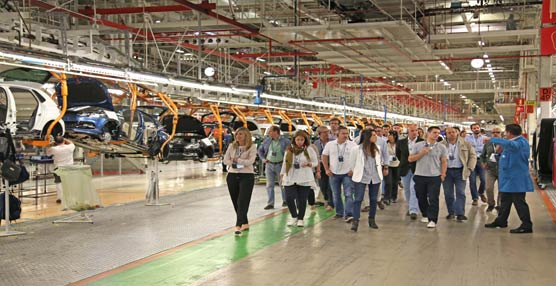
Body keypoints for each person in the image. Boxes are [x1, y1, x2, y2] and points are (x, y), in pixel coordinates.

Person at [484, 124, 533, 233]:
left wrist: (492, 139)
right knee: (505, 201)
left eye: (506, 133)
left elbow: (512, 145)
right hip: (508, 178)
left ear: (509, 133)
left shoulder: (521, 142)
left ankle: (526, 225)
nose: (505, 135)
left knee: (519, 202)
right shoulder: (511, 143)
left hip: (516, 179)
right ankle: (501, 220)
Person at [409, 126, 448, 228]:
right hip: (420, 175)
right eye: (434, 132)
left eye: (438, 133)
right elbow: (410, 159)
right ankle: (425, 214)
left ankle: (433, 219)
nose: (436, 135)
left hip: (434, 177)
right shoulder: (418, 145)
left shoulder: (442, 147)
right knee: (421, 197)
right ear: (428, 133)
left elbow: (444, 161)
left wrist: (443, 174)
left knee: (433, 198)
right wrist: (422, 153)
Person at [223, 127, 258, 235]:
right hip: (232, 175)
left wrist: (237, 160)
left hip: (246, 176)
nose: (238, 136)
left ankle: (238, 225)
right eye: (237, 134)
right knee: (235, 201)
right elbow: (225, 160)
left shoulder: (252, 147)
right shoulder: (231, 146)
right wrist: (238, 162)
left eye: (241, 134)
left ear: (246, 135)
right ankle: (245, 222)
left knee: (243, 201)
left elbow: (250, 161)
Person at [348, 129, 384, 231]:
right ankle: (355, 221)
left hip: (375, 177)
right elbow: (352, 163)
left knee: (373, 199)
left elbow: (379, 161)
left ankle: (371, 219)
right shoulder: (356, 149)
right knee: (358, 199)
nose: (375, 137)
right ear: (367, 137)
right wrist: (355, 171)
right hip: (361, 177)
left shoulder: (377, 148)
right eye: (373, 135)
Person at [281, 131, 318, 227]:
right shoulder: (289, 150)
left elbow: (315, 162)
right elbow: (285, 163)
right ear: (294, 140)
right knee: (289, 198)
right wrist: (282, 174)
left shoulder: (309, 149)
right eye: (298, 139)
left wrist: (309, 164)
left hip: (304, 177)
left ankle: (300, 218)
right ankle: (294, 216)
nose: (300, 141)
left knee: (302, 200)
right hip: (290, 177)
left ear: (305, 140)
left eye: (302, 139)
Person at [440, 127, 477, 221]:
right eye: (449, 132)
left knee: (460, 192)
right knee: (448, 193)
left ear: (457, 133)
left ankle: (460, 213)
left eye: (453, 132)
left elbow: (473, 156)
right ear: (446, 134)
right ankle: (451, 212)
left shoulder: (466, 144)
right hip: (446, 171)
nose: (451, 134)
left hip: (460, 171)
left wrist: (469, 168)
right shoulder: (441, 145)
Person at [322, 126, 357, 221]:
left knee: (349, 194)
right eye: (343, 133)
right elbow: (324, 156)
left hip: (348, 174)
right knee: (336, 194)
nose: (346, 135)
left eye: (347, 133)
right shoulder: (330, 144)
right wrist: (327, 169)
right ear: (337, 135)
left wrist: (353, 170)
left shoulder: (352, 145)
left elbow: (357, 159)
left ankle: (349, 214)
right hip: (334, 173)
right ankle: (339, 212)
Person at [258, 125, 290, 210]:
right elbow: (260, 150)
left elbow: (290, 152)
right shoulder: (266, 141)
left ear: (276, 132)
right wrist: (263, 159)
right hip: (269, 164)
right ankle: (270, 203)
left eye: (270, 131)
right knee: (269, 184)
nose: (268, 132)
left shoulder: (285, 141)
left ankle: (285, 201)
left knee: (282, 183)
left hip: (280, 165)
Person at [396, 124, 423, 220]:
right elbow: (398, 154)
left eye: (416, 130)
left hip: (418, 169)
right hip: (405, 168)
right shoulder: (401, 142)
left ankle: (413, 210)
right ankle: (410, 206)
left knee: (413, 188)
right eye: (412, 130)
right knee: (407, 189)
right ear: (408, 131)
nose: (415, 132)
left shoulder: (422, 142)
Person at [46, 136, 75, 203]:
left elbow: (48, 154)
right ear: (64, 141)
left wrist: (51, 144)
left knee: (59, 183)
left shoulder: (54, 149)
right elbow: (71, 142)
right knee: (69, 183)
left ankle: (60, 198)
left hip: (58, 168)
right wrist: (65, 139)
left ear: (56, 142)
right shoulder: (70, 147)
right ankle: (70, 198)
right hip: (69, 167)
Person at [480, 127, 502, 212]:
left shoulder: (505, 144)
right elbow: (482, 156)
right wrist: (483, 163)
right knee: (489, 188)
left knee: (502, 189)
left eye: (498, 132)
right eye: (493, 132)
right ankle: (491, 204)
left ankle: (499, 205)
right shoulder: (488, 144)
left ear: (501, 133)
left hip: (502, 170)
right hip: (490, 169)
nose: (495, 134)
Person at [466, 123, 488, 205]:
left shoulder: (485, 138)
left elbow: (485, 149)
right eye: (474, 128)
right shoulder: (467, 139)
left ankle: (481, 192)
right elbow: (467, 149)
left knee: (483, 179)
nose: (476, 129)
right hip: (471, 160)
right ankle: (475, 198)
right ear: (471, 129)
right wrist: (478, 149)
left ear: (480, 128)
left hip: (481, 160)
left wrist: (474, 148)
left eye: (477, 127)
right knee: (472, 180)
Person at [313, 126, 334, 211]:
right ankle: (326, 198)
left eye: (327, 132)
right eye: (324, 132)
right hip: (320, 166)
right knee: (322, 185)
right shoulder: (316, 143)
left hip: (331, 165)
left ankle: (331, 203)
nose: (327, 134)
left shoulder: (332, 142)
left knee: (330, 185)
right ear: (319, 134)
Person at [384, 130, 400, 204]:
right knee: (388, 182)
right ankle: (387, 197)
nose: (389, 136)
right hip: (388, 164)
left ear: (395, 136)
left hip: (397, 164)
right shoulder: (385, 144)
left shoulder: (399, 144)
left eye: (390, 135)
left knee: (395, 182)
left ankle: (394, 197)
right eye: (388, 135)